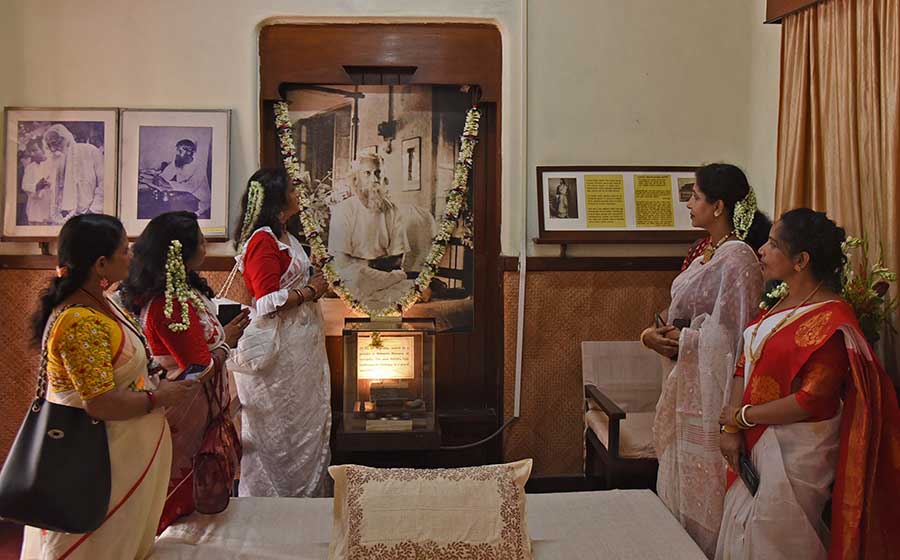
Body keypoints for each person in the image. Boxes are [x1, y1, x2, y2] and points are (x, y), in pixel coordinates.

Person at [716, 209, 900, 560]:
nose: (762, 251)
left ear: (800, 260)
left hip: (795, 450)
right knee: (742, 533)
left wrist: (742, 417)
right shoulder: (779, 301)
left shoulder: (832, 320)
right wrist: (731, 426)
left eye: (772, 244)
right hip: (751, 437)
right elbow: (746, 360)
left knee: (774, 539)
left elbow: (811, 400)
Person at [20, 214, 198, 559]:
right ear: (101, 264)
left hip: (125, 459)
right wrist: (159, 397)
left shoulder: (105, 305)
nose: (131, 256)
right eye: (124, 251)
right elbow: (100, 404)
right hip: (96, 463)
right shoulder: (78, 322)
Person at [643, 163, 770, 557]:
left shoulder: (739, 260)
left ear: (718, 206)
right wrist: (653, 334)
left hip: (714, 395)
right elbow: (676, 314)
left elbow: (738, 337)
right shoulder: (703, 251)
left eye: (695, 196)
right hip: (685, 382)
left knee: (710, 486)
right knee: (680, 478)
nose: (689, 204)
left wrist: (689, 340)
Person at [118, 211, 250, 533]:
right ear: (180, 252)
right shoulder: (171, 302)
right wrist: (227, 341)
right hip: (186, 408)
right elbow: (198, 366)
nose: (205, 246)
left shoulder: (180, 292)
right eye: (201, 241)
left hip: (191, 403)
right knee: (181, 488)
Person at [227, 168, 331, 497]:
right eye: (292, 188)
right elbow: (267, 301)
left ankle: (306, 502)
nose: (299, 192)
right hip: (277, 354)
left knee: (304, 426)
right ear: (276, 198)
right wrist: (311, 291)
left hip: (299, 351)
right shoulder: (262, 240)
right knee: (280, 431)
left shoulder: (287, 236)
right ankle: (273, 504)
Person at [328, 154, 433, 309]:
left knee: (420, 290)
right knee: (355, 278)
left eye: (377, 173)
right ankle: (379, 294)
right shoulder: (343, 211)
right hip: (355, 277)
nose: (374, 179)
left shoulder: (392, 210)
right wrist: (371, 267)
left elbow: (397, 258)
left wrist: (373, 268)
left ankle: (375, 295)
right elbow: (343, 262)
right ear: (356, 179)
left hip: (384, 276)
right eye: (367, 173)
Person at [43, 124, 104, 220]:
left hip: (89, 215)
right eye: (49, 145)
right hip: (63, 219)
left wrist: (93, 210)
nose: (53, 149)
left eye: (55, 143)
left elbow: (104, 183)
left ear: (66, 139)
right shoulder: (54, 161)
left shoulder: (89, 151)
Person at [153, 139, 211, 218]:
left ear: (190, 152)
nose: (177, 153)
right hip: (185, 195)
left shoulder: (199, 166)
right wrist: (159, 178)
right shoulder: (178, 161)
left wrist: (168, 184)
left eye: (180, 151)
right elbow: (165, 175)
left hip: (199, 201)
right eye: (177, 150)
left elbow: (190, 187)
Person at [19, 138, 52, 224]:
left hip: (48, 206)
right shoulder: (30, 168)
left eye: (35, 150)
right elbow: (24, 185)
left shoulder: (52, 164)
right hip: (34, 209)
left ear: (43, 149)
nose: (32, 154)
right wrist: (36, 186)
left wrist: (49, 183)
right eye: (30, 152)